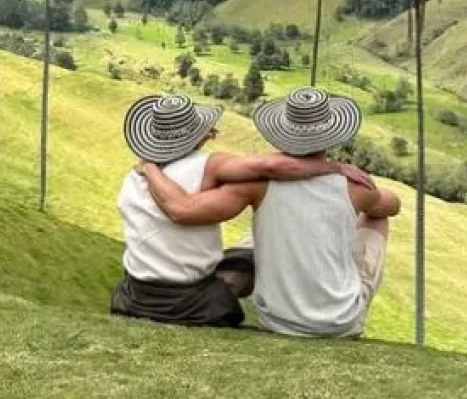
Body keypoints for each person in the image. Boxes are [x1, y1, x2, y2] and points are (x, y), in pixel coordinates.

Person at [142, 86, 400, 339]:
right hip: (341, 322)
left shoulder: (255, 184)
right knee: (377, 216)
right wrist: (364, 185)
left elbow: (186, 210)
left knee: (257, 236)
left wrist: (152, 168)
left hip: (276, 320)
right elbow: (391, 205)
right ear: (332, 135)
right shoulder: (356, 186)